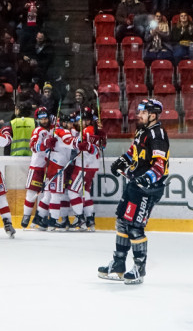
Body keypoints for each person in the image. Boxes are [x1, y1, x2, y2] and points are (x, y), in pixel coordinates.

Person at [99, 99, 169, 285]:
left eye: (143, 112)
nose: (139, 115)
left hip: (148, 188)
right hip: (135, 185)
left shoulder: (158, 134)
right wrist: (122, 161)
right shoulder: (142, 131)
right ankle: (119, 264)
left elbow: (160, 166)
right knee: (122, 222)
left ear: (153, 115)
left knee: (136, 227)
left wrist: (147, 178)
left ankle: (139, 268)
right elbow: (133, 152)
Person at [66, 107, 106, 231]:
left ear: (87, 120)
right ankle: (90, 219)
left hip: (84, 166)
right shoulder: (97, 130)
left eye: (82, 120)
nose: (80, 122)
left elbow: (88, 147)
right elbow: (102, 146)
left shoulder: (87, 131)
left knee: (72, 191)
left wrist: (86, 146)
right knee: (85, 191)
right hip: (92, 166)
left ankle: (80, 219)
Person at [20, 107, 56, 229]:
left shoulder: (53, 129)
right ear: (38, 119)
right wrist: (46, 144)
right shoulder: (38, 131)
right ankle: (26, 216)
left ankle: (39, 217)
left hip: (49, 167)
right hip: (37, 166)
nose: (44, 120)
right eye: (41, 118)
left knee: (45, 194)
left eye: (46, 118)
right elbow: (33, 146)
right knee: (31, 192)